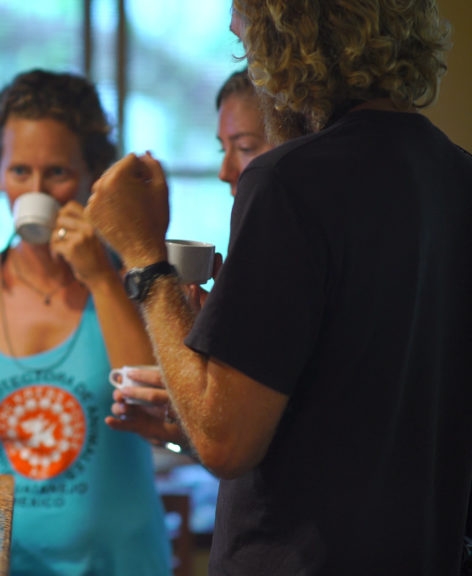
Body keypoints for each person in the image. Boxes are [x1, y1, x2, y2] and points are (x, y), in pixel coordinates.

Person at [87, 0, 471, 573]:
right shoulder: (457, 177)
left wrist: (144, 258)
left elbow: (226, 443)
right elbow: (358, 416)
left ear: (287, 41)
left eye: (246, 37)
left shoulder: (289, 181)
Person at [0, 69, 170, 575]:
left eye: (58, 173)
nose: (36, 189)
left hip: (121, 563)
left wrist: (102, 278)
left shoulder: (137, 285)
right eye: (20, 171)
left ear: (92, 174)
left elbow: (159, 407)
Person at [108, 68, 274, 445]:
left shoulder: (291, 262)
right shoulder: (247, 262)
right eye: (223, 148)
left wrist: (146, 261)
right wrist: (185, 433)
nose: (223, 171)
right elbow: (238, 443)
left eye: (245, 147)